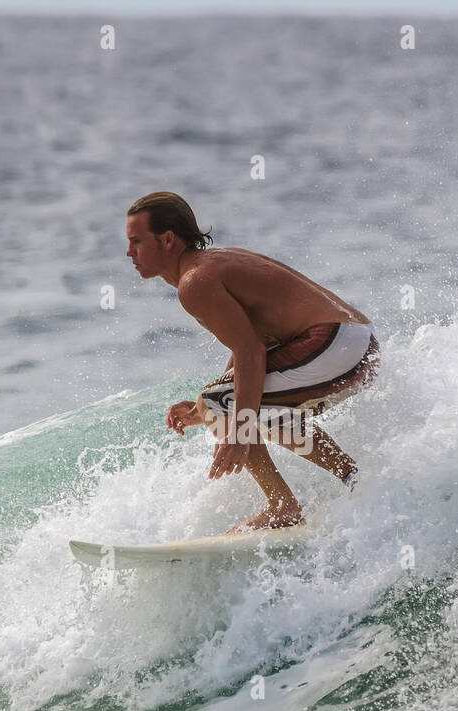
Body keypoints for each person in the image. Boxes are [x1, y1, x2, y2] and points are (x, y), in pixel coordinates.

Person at [126, 191, 380, 533]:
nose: (130, 252)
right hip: (357, 343)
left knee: (231, 405)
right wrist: (207, 408)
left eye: (137, 241)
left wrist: (235, 426)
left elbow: (250, 353)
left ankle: (282, 505)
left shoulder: (194, 282)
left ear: (168, 239)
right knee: (237, 402)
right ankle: (354, 479)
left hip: (334, 345)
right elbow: (251, 343)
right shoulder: (214, 264)